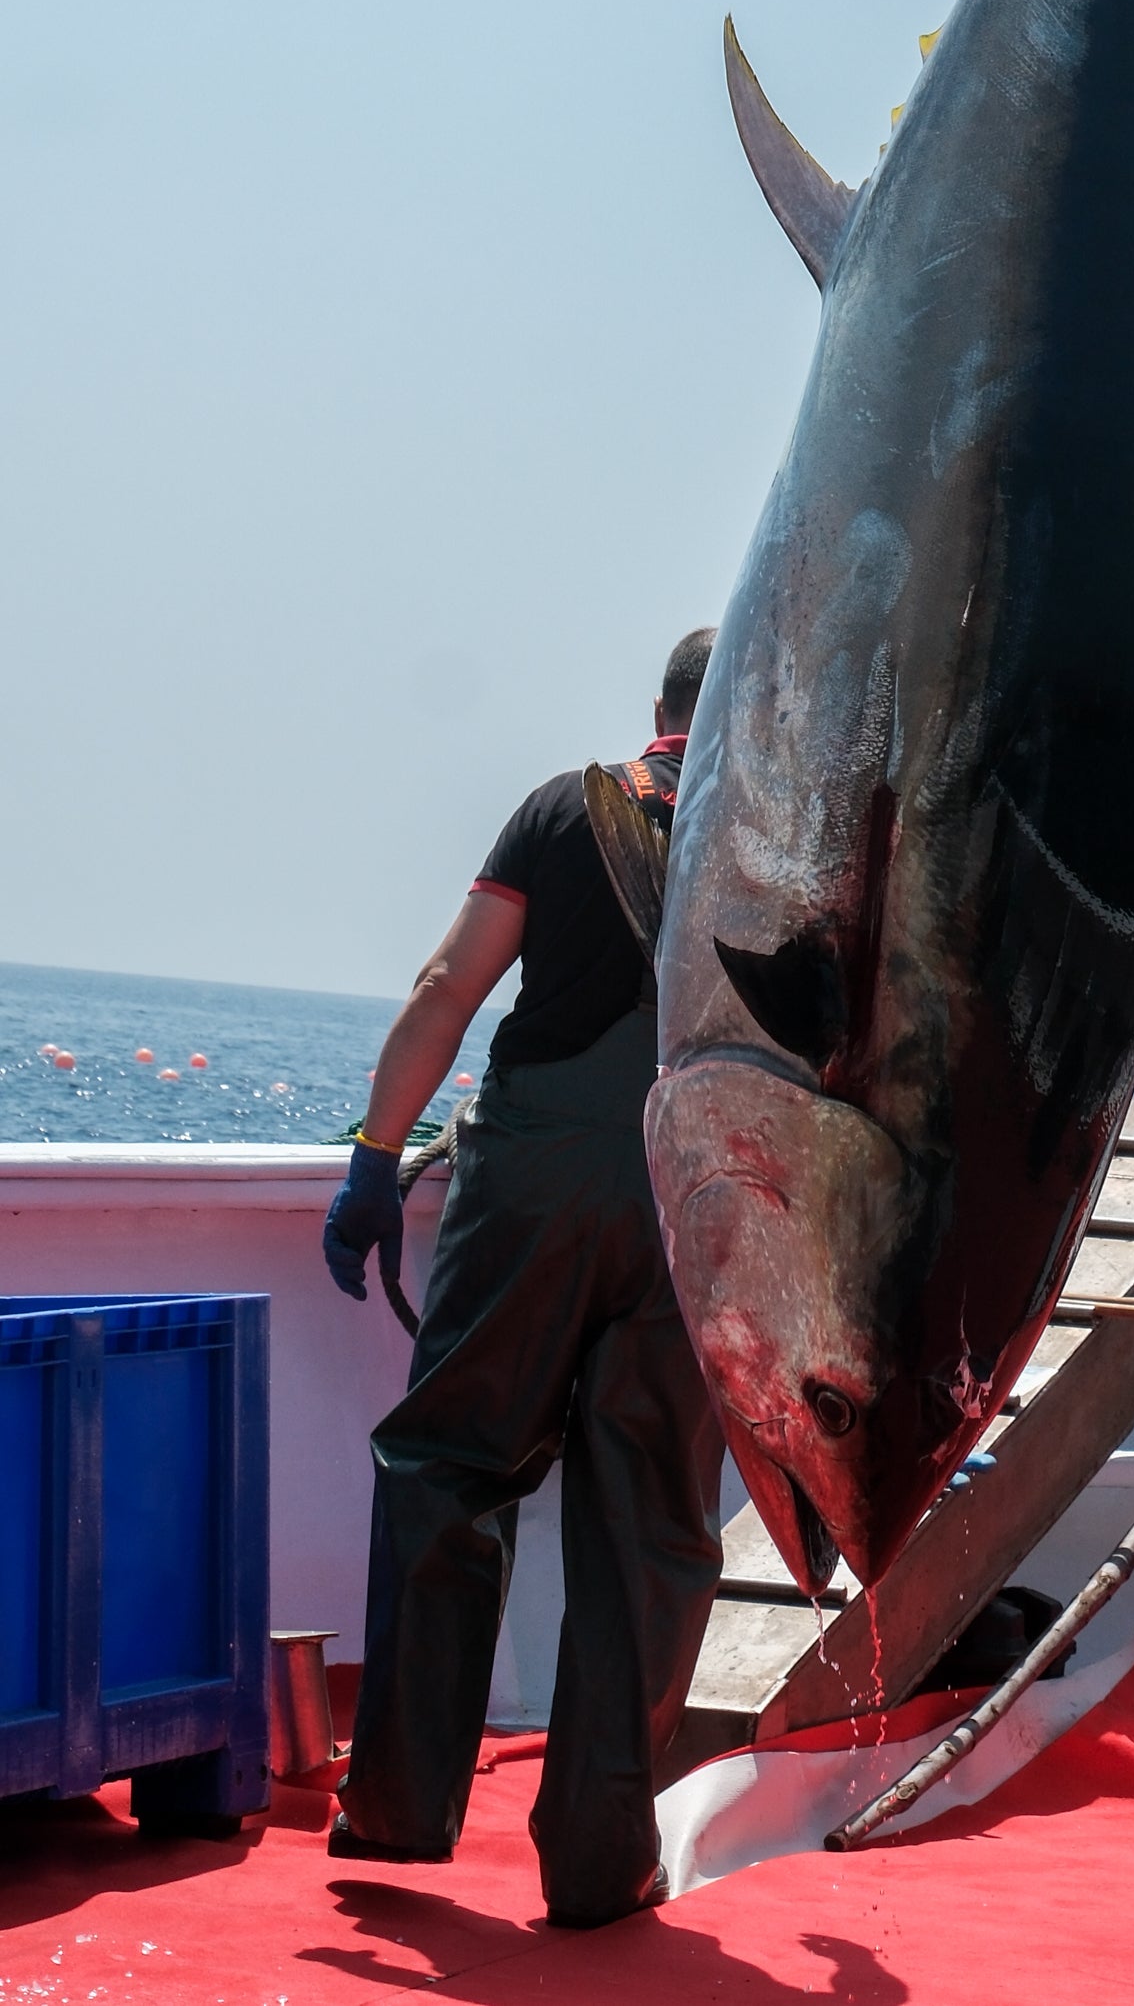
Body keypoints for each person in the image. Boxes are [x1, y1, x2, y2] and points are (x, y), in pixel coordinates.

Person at [320, 630, 725, 1929]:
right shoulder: (774, 834)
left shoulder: (569, 806)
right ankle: (603, 1859)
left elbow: (452, 984)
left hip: (537, 1184)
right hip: (692, 1200)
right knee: (649, 1524)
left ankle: (396, 1804)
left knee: (449, 1468)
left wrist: (379, 1160)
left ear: (653, 709)